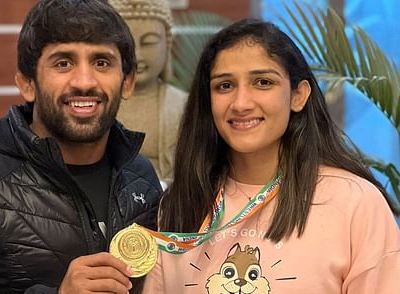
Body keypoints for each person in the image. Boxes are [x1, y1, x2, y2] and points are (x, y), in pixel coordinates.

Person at [0, 0, 163, 293]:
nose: (84, 81)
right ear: (27, 84)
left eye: (102, 62)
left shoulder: (142, 178)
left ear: (127, 83)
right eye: (63, 63)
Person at [143, 18, 399, 293]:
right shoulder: (180, 202)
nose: (241, 103)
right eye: (225, 86)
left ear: (298, 95)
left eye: (263, 82)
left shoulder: (355, 203)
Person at [109, 0, 188, 185]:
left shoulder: (184, 106)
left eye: (150, 42)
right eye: (127, 43)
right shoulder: (98, 105)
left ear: (168, 44)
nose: (137, 55)